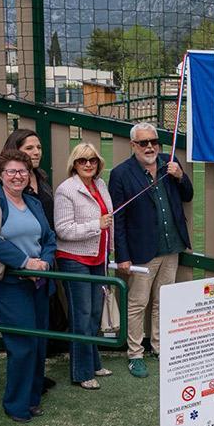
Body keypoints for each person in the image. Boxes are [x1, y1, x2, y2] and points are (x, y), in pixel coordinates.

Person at [0, 149, 56, 423]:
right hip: (9, 282)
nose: (18, 176)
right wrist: (24, 263)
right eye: (11, 171)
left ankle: (32, 399)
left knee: (38, 341)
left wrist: (43, 262)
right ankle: (16, 405)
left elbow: (49, 237)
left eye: (23, 171)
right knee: (22, 344)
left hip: (40, 282)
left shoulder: (32, 201)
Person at [109, 122, 194, 379]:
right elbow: (119, 218)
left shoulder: (170, 164)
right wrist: (122, 255)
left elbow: (188, 195)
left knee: (163, 301)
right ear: (133, 145)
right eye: (143, 143)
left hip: (171, 246)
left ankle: (159, 346)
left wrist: (180, 176)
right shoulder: (122, 173)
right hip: (141, 251)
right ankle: (135, 353)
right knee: (137, 303)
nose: (149, 147)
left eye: (153, 142)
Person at [3, 128, 62, 392]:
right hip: (20, 267)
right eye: (29, 148)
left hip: (45, 259)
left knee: (43, 323)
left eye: (38, 147)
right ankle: (24, 386)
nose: (36, 153)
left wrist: (46, 258)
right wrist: (26, 262)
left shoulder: (41, 177)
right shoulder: (10, 185)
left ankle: (36, 376)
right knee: (23, 331)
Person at [54, 143, 114, 390]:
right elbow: (63, 229)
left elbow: (109, 220)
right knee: (81, 315)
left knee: (93, 314)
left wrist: (110, 250)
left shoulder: (100, 184)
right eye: (82, 161)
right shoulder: (66, 190)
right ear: (74, 164)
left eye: (92, 160)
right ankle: (81, 372)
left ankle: (94, 362)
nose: (88, 164)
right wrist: (95, 225)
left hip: (97, 258)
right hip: (74, 259)